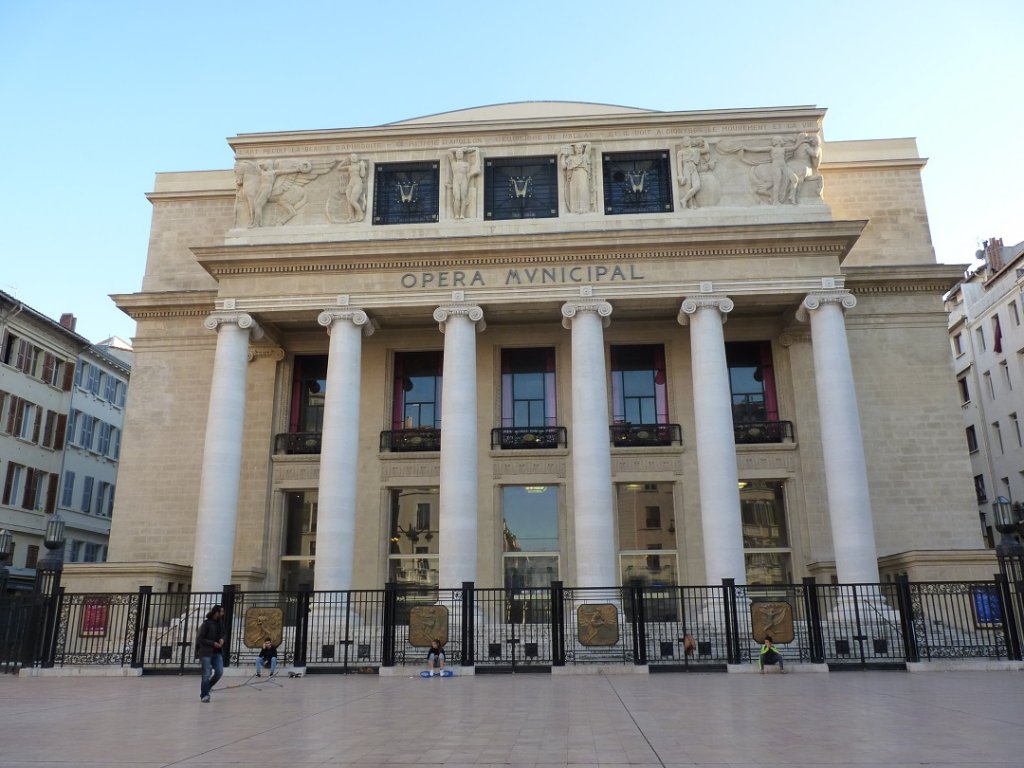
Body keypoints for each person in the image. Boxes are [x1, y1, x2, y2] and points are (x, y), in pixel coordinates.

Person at [196, 605, 227, 702]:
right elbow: (200, 639)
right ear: (216, 612)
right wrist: (213, 643)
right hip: (206, 652)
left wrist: (222, 639)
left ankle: (206, 687)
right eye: (221, 612)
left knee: (219, 672)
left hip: (217, 652)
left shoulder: (221, 623)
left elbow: (224, 634)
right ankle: (204, 695)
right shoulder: (206, 624)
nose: (223, 614)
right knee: (206, 674)